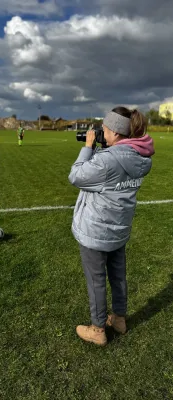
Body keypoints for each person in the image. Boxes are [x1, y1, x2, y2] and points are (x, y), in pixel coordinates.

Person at [68, 106, 155, 346]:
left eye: (104, 129)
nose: (101, 133)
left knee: (96, 279)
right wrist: (102, 149)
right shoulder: (141, 158)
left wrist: (87, 148)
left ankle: (97, 330)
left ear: (116, 132)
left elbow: (76, 176)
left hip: (96, 230)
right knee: (118, 276)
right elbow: (115, 167)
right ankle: (119, 319)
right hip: (119, 228)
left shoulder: (107, 161)